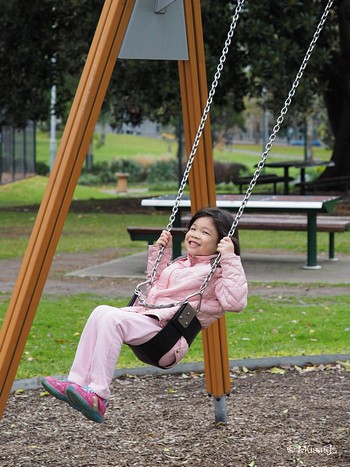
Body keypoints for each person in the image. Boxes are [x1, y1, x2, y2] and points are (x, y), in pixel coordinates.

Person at [41, 207, 248, 423]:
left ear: (222, 242)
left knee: (113, 319)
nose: (195, 234)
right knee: (100, 311)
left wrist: (230, 258)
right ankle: (75, 383)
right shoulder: (180, 263)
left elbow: (235, 302)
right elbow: (154, 290)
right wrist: (161, 253)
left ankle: (99, 396)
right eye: (193, 228)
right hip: (151, 322)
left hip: (167, 337)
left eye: (205, 232)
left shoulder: (219, 273)